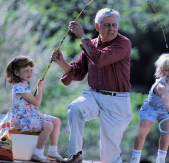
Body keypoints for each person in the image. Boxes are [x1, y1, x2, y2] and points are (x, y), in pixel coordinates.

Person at [51, 8, 132, 163]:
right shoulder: (91, 45)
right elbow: (77, 72)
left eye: (114, 25)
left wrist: (82, 36)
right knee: (75, 108)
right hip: (94, 95)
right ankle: (76, 155)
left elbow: (100, 59)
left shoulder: (123, 43)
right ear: (97, 27)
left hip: (117, 102)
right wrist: (60, 62)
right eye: (107, 25)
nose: (111, 29)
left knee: (109, 158)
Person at [130, 53, 169, 163]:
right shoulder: (161, 86)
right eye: (166, 70)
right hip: (151, 109)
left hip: (165, 110)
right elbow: (166, 98)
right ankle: (135, 158)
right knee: (142, 132)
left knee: (167, 131)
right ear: (160, 71)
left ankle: (161, 158)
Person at [5, 55, 65, 162]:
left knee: (56, 121)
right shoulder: (19, 87)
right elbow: (37, 102)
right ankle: (37, 152)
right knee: (48, 125)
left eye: (31, 70)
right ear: (16, 72)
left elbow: (32, 101)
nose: (30, 73)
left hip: (31, 116)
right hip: (22, 121)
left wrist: (38, 88)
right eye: (26, 71)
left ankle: (52, 151)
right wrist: (40, 88)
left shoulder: (24, 85)